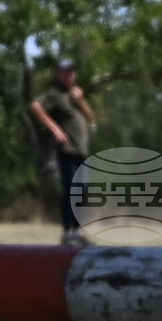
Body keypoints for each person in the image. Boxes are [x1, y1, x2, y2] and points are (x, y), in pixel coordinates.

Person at [28, 55, 98, 239]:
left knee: (82, 190)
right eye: (65, 72)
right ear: (58, 74)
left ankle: (78, 231)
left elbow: (91, 118)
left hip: (81, 151)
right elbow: (35, 106)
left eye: (71, 72)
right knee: (72, 189)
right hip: (68, 149)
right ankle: (69, 232)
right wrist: (54, 128)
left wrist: (81, 101)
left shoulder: (76, 94)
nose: (69, 75)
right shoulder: (55, 94)